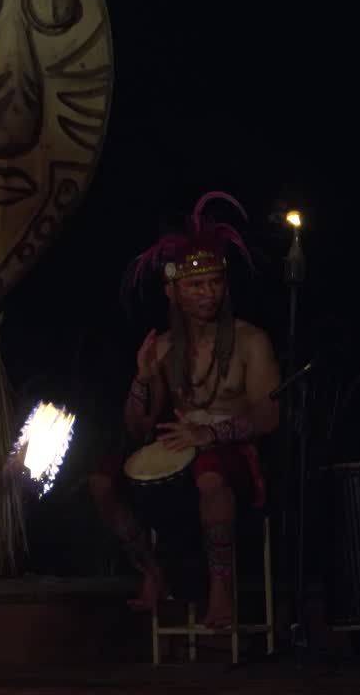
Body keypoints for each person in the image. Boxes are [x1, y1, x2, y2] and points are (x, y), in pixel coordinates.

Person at [88, 191, 280, 629]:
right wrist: (140, 378)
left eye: (215, 283)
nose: (208, 293)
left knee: (210, 475)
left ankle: (221, 593)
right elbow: (137, 426)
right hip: (179, 448)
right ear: (173, 292)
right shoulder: (165, 348)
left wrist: (210, 436)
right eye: (196, 285)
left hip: (230, 455)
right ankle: (153, 572)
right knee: (101, 480)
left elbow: (269, 417)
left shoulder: (252, 342)